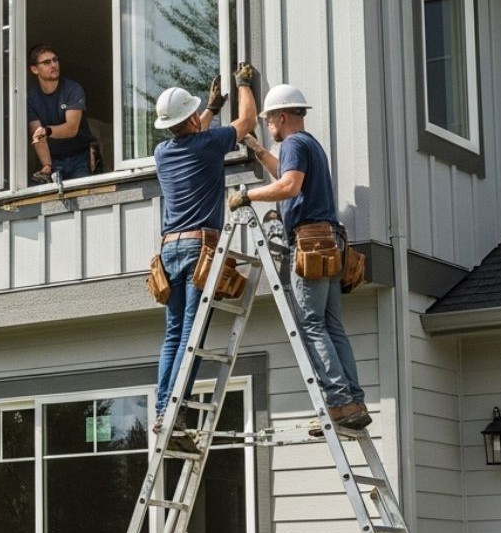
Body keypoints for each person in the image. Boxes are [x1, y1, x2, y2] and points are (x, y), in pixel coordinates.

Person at [229, 84, 370, 430]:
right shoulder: (309, 145)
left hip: (309, 242)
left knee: (311, 324)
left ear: (281, 116)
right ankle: (352, 400)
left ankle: (337, 403)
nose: (268, 126)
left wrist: (247, 195)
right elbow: (287, 175)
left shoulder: (293, 143)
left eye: (269, 121)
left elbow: (289, 186)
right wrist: (258, 149)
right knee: (331, 326)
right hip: (329, 242)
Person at [153, 63, 258, 435]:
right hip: (200, 247)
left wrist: (209, 109)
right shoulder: (207, 144)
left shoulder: (162, 153)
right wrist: (245, 83)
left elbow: (193, 131)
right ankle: (175, 413)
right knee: (189, 336)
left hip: (169, 251)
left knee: (173, 333)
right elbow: (247, 121)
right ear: (191, 118)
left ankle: (164, 411)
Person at [27, 44, 95, 184]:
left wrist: (47, 131)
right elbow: (37, 134)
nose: (53, 65)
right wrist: (47, 166)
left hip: (80, 157)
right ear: (34, 69)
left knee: (84, 200)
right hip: (54, 161)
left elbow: (72, 128)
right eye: (46, 62)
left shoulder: (73, 89)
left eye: (55, 60)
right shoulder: (31, 98)